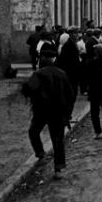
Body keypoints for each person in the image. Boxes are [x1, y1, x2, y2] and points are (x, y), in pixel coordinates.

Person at [21, 42, 75, 180]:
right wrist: (68, 113)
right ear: (54, 59)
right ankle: (58, 168)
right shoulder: (62, 74)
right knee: (58, 140)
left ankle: (40, 153)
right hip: (59, 112)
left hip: (42, 111)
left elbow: (29, 90)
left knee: (33, 131)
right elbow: (70, 95)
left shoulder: (38, 74)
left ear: (43, 59)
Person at [87, 43, 102, 139]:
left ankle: (97, 131)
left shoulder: (91, 62)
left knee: (94, 112)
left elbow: (87, 76)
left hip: (94, 89)